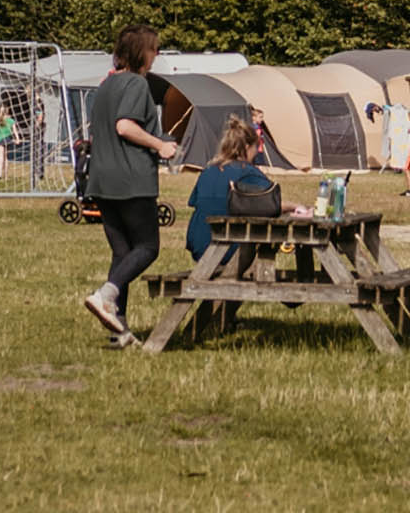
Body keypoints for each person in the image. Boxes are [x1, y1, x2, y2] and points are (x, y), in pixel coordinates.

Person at [81, 24, 180, 349]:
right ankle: (105, 295)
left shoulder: (106, 85)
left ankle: (118, 328)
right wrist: (160, 145)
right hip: (132, 180)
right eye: (154, 49)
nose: (157, 55)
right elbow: (125, 126)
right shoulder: (138, 84)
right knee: (148, 248)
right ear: (142, 52)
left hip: (101, 179)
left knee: (122, 252)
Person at [186, 117, 271, 262]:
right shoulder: (248, 172)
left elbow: (194, 202)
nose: (256, 153)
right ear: (246, 147)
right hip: (231, 249)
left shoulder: (207, 171)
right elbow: (272, 201)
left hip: (200, 246)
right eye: (255, 147)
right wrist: (296, 207)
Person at [0, 109, 17, 181]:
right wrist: (18, 138)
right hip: (7, 139)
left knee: (1, 157)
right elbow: (14, 130)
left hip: (0, 139)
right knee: (6, 158)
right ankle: (6, 176)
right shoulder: (11, 120)